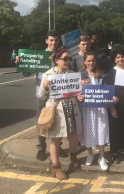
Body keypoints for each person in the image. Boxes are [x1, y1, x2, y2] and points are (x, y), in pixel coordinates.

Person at [16, 30, 67, 161]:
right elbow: (26, 74)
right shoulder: (38, 56)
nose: (53, 42)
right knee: (41, 122)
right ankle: (41, 148)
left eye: (56, 40)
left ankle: (57, 146)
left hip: (58, 94)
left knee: (58, 121)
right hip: (42, 95)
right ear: (46, 41)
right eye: (51, 40)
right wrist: (21, 63)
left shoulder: (62, 56)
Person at [38, 49, 83, 180]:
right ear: (56, 60)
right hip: (57, 110)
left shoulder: (72, 74)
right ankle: (56, 167)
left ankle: (73, 156)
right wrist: (45, 87)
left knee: (74, 136)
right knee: (55, 139)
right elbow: (41, 96)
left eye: (69, 59)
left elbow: (77, 92)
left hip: (71, 109)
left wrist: (80, 95)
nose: (68, 61)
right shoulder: (48, 75)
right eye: (65, 59)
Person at [78, 52, 114, 171]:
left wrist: (112, 104)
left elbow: (107, 91)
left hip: (100, 107)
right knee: (89, 131)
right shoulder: (80, 76)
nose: (91, 63)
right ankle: (90, 154)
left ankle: (102, 157)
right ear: (84, 62)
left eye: (93, 61)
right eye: (88, 61)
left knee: (101, 131)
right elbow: (76, 92)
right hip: (87, 109)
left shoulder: (101, 75)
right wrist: (79, 95)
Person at [106, 45, 124, 164]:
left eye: (122, 56)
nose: (120, 59)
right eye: (118, 57)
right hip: (115, 105)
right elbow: (109, 91)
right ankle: (114, 151)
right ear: (114, 59)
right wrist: (112, 108)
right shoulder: (111, 72)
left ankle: (122, 147)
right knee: (114, 128)